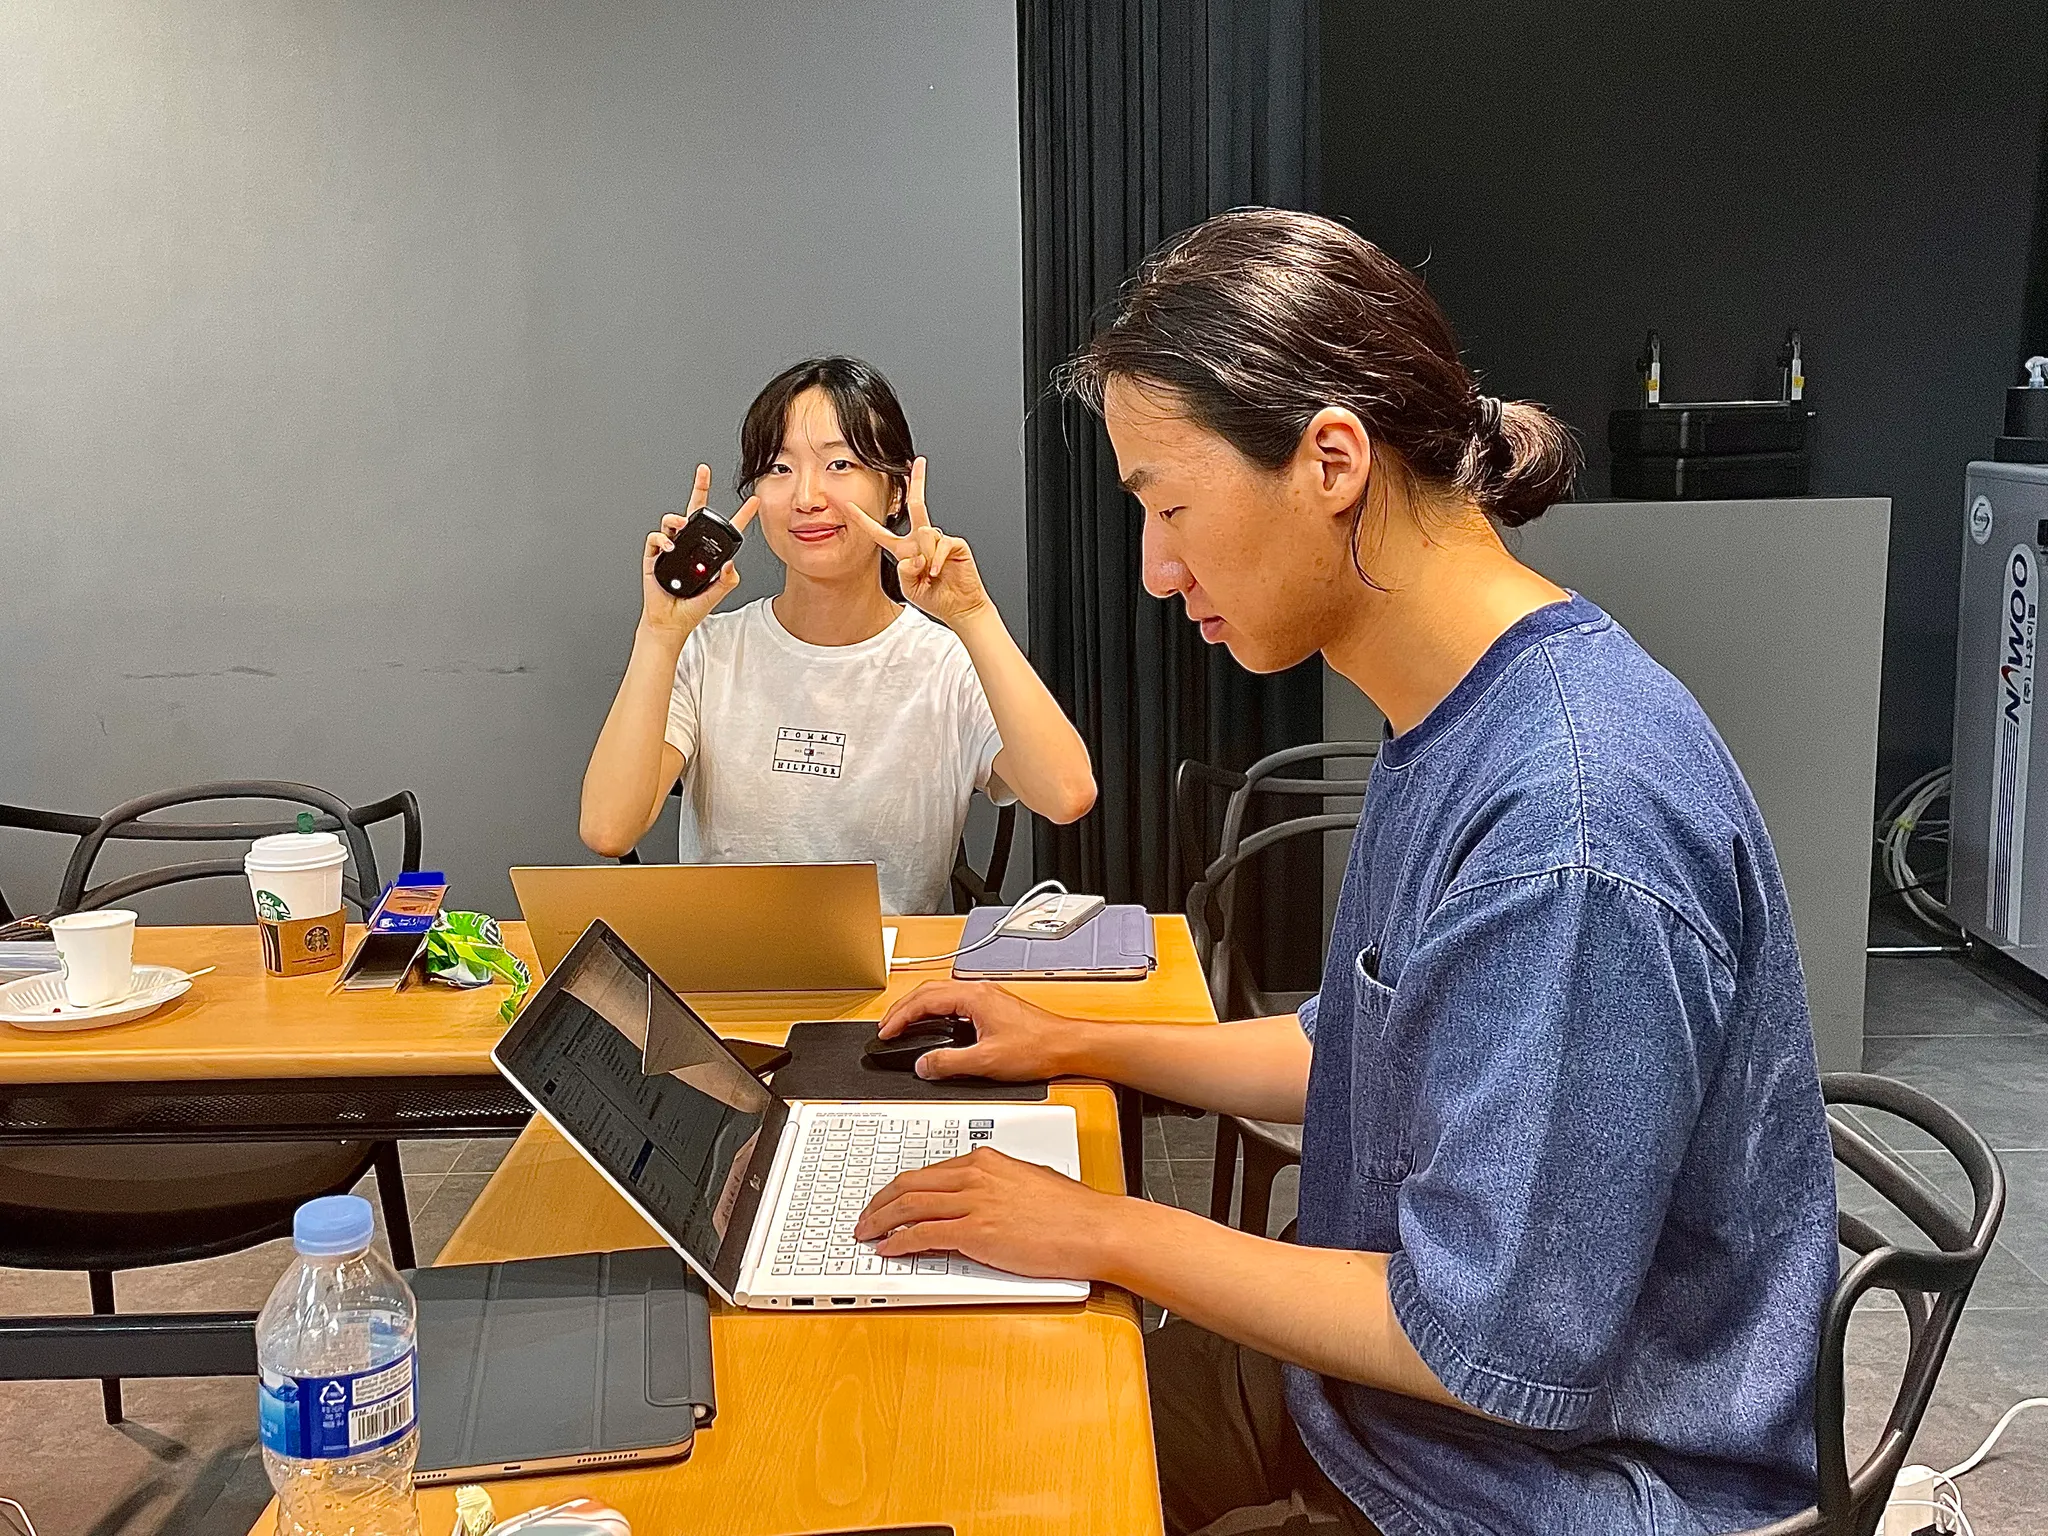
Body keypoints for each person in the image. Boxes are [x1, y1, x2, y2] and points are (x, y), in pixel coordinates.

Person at [853, 210, 1837, 1535]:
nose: (1155, 571)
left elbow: (1482, 1343)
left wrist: (1098, 1227)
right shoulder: (1457, 716)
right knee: (940, 1428)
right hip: (1374, 1408)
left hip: (1519, 1486)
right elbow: (1355, 1046)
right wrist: (1068, 1040)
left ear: (1329, 460)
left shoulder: (1571, 822)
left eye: (1168, 506)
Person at [579, 357, 1095, 914]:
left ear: (896, 492)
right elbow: (609, 830)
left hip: (894, 969)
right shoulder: (709, 652)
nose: (807, 497)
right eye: (779, 468)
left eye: (840, 464)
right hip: (727, 966)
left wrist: (971, 614)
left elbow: (1066, 795)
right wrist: (660, 633)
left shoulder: (945, 663)